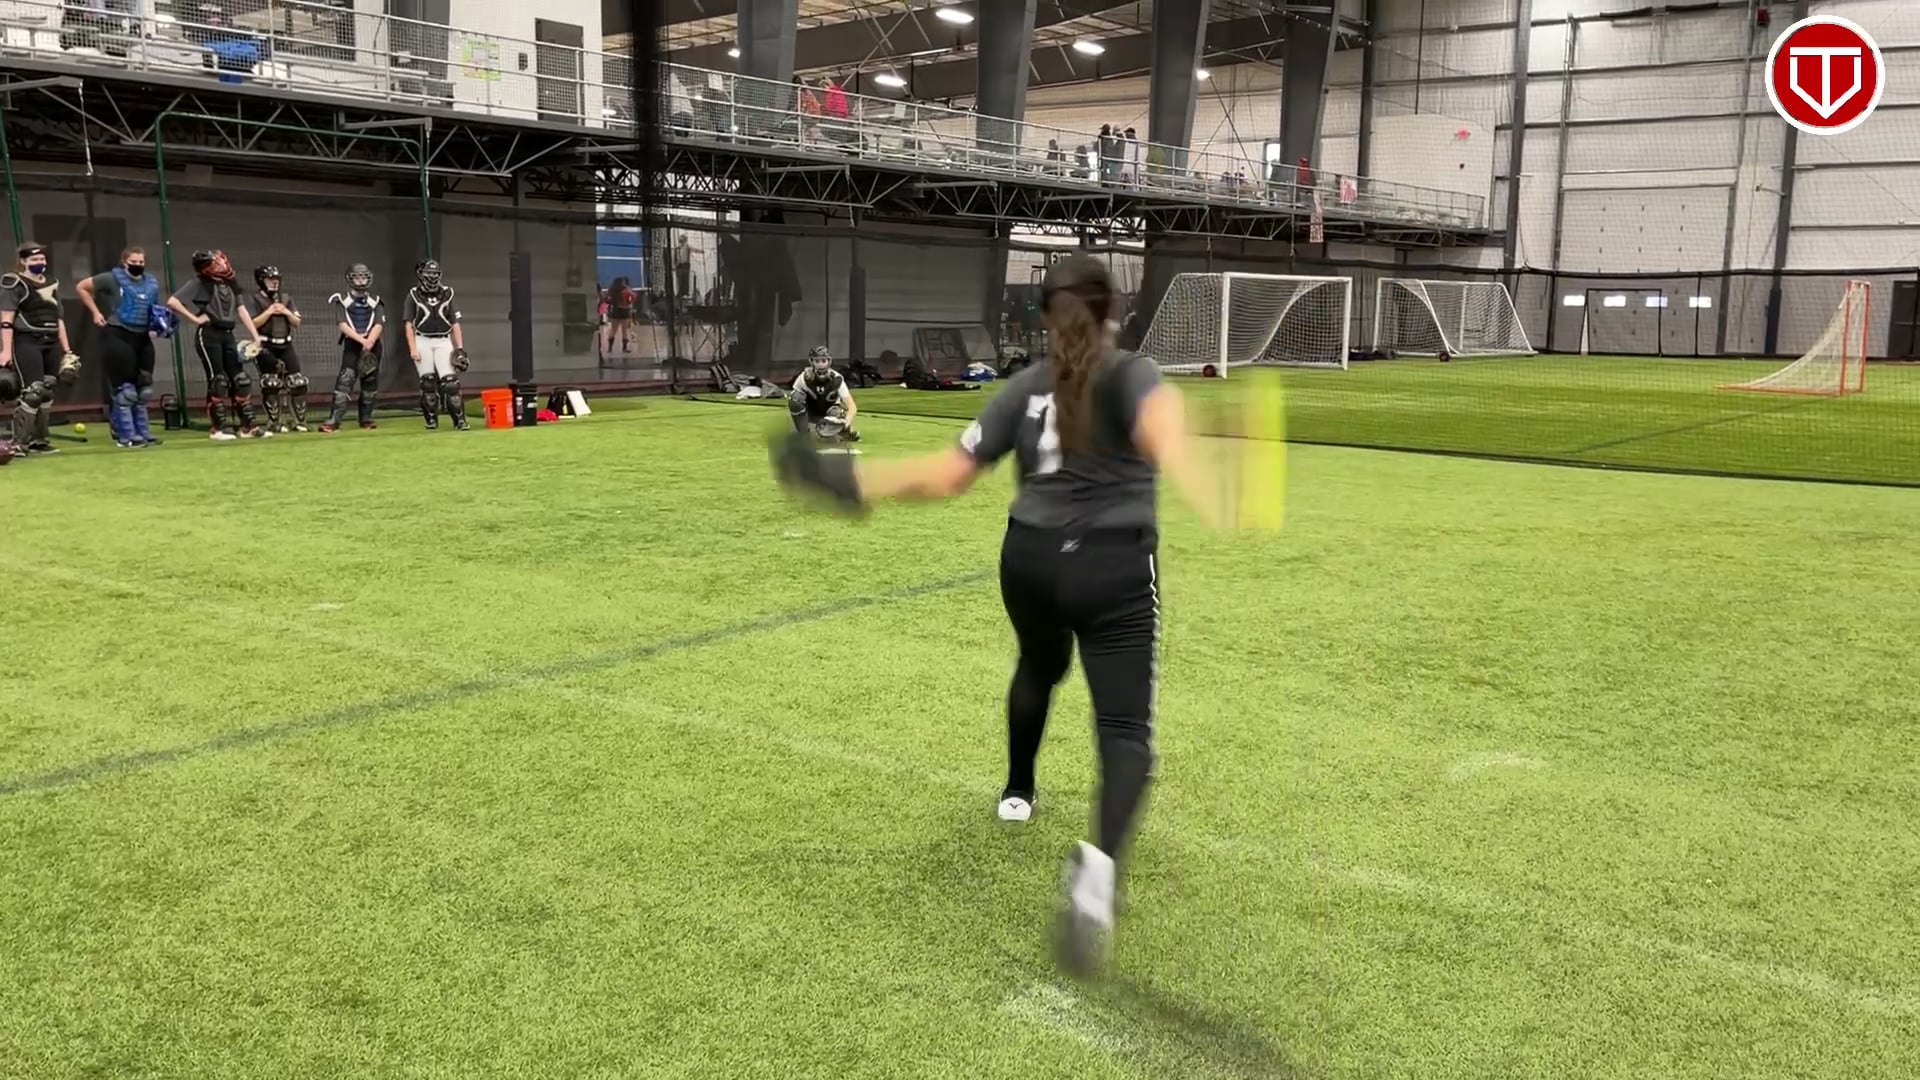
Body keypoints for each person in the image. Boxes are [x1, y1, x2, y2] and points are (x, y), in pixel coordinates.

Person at [768, 255, 1227, 974]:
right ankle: (1097, 875)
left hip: (1031, 561)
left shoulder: (1026, 386)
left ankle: (1018, 790)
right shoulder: (1132, 373)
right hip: (1112, 565)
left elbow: (949, 474)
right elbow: (1160, 428)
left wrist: (856, 480)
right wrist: (1205, 474)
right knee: (1125, 731)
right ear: (1112, 314)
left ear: (1045, 318)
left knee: (1038, 665)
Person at [168, 248, 268, 441]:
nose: (222, 264)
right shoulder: (198, 283)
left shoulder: (231, 284)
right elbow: (173, 301)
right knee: (218, 381)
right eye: (216, 262)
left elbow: (241, 310)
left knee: (241, 380)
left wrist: (255, 336)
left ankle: (247, 427)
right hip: (208, 334)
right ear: (207, 267)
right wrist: (195, 319)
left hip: (227, 335)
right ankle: (218, 429)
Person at [76, 245, 165, 448]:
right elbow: (82, 287)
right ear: (124, 262)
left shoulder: (151, 282)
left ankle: (143, 432)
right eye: (133, 262)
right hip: (118, 334)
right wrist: (96, 312)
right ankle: (126, 435)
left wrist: (159, 324)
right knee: (126, 391)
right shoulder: (111, 278)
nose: (138, 265)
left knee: (144, 387)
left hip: (142, 336)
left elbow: (154, 307)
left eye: (141, 262)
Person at [0, 242, 80, 455]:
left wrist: (67, 349)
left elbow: (58, 318)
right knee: (33, 392)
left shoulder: (52, 282)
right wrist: (5, 351)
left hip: (51, 340)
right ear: (24, 261)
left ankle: (39, 441)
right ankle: (19, 443)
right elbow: (6, 320)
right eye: (34, 259)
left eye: (42, 259)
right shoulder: (13, 282)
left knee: (47, 389)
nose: (40, 262)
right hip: (27, 340)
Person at [402, 259, 469, 431]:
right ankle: (431, 420)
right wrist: (412, 348)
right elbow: (408, 324)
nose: (432, 277)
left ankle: (460, 420)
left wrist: (459, 348)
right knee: (428, 382)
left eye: (435, 274)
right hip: (422, 340)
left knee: (451, 383)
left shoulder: (448, 293)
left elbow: (455, 323)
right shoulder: (413, 294)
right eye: (428, 274)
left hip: (443, 340)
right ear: (420, 274)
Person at [319, 263, 386, 432]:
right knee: (345, 379)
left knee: (369, 381)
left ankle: (366, 418)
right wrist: (361, 340)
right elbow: (342, 324)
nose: (361, 280)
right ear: (350, 279)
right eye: (358, 277)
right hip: (353, 344)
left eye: (364, 277)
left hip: (373, 345)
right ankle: (334, 420)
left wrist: (370, 341)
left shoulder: (376, 300)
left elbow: (379, 324)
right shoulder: (342, 300)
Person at [249, 265, 307, 432]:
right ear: (261, 280)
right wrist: (269, 311)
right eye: (270, 279)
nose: (274, 282)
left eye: (276, 279)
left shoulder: (286, 298)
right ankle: (274, 422)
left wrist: (286, 312)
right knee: (271, 383)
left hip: (286, 343)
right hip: (266, 344)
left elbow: (297, 322)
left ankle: (299, 422)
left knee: (297, 382)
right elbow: (252, 323)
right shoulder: (255, 299)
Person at [787, 346, 859, 443]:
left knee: (838, 413)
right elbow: (794, 399)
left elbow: (852, 406)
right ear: (812, 362)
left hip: (830, 414)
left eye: (823, 361)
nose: (820, 365)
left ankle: (845, 432)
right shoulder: (803, 378)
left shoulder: (837, 379)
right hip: (810, 412)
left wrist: (847, 422)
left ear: (829, 361)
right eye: (817, 361)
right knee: (795, 398)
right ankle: (803, 434)